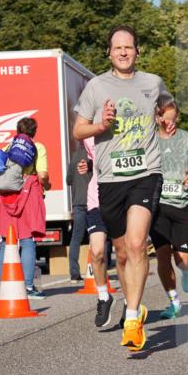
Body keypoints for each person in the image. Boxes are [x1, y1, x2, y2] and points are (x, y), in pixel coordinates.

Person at [73, 25, 172, 351]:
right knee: (122, 252)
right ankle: (133, 306)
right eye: (117, 48)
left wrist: (168, 117)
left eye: (128, 47)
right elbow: (77, 131)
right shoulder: (96, 86)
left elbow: (168, 106)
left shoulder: (152, 82)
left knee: (136, 242)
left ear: (137, 51)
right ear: (109, 52)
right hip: (110, 179)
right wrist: (101, 125)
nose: (123, 52)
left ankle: (131, 318)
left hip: (146, 173)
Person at [151, 97, 188, 319]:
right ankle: (174, 302)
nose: (169, 123)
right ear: (157, 117)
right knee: (162, 256)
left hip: (183, 205)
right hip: (158, 206)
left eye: (172, 119)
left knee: (182, 260)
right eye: (164, 119)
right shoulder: (149, 140)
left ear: (177, 117)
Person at [0, 117, 49, 298]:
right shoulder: (37, 147)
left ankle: (4, 286)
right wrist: (47, 185)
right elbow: (42, 175)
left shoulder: (7, 148)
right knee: (27, 240)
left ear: (17, 131)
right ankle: (28, 287)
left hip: (6, 198)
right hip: (27, 196)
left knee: (6, 242)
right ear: (34, 131)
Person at [80, 137, 116, 327]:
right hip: (96, 200)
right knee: (96, 251)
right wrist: (87, 165)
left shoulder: (121, 129)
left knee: (125, 255)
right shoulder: (87, 135)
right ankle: (104, 297)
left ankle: (131, 303)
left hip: (120, 198)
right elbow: (94, 158)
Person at [67, 144, 91, 283]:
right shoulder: (94, 155)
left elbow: (68, 180)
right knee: (100, 236)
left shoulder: (74, 157)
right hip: (93, 202)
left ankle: (74, 274)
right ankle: (100, 271)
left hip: (78, 203)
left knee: (76, 238)